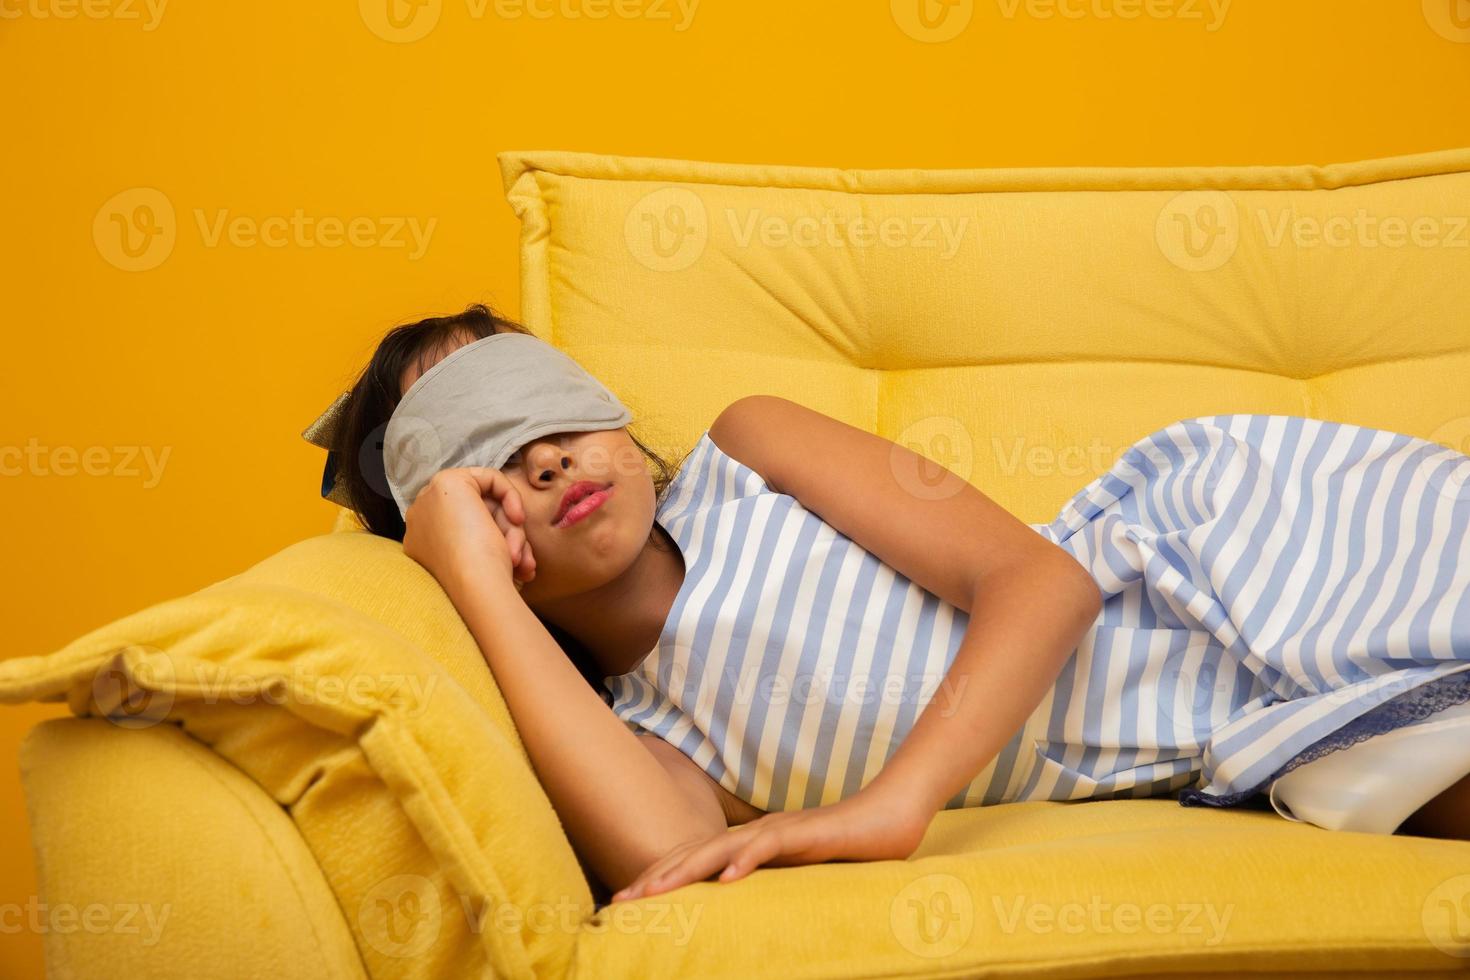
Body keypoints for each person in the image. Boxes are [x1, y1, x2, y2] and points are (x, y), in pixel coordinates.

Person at [307, 302, 1470, 905]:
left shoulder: (748, 455)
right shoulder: (653, 738)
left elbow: (1043, 579)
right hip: (1238, 743)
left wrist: (894, 802)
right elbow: (668, 847)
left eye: (539, 414)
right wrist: (467, 582)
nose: (542, 465)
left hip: (1206, 563)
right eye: (483, 477)